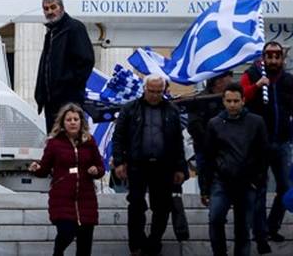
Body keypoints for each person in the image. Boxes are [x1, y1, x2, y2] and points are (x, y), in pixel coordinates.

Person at [112, 75, 187, 256]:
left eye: (159, 92)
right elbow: (119, 137)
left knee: (162, 207)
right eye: (151, 91)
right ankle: (136, 244)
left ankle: (154, 242)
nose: (154, 95)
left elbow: (178, 140)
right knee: (136, 205)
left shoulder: (171, 110)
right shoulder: (130, 109)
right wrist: (120, 162)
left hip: (164, 166)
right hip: (137, 165)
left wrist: (180, 167)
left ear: (164, 91)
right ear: (144, 89)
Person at [29, 103, 106, 256]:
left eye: (75, 119)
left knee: (85, 245)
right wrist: (36, 169)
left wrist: (96, 170)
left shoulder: (89, 142)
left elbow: (100, 167)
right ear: (63, 123)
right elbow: (44, 168)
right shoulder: (54, 143)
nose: (72, 122)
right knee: (66, 233)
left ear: (81, 122)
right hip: (62, 198)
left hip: (86, 199)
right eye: (69, 119)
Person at [202, 83, 269, 256]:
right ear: (223, 101)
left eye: (236, 101)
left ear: (243, 101)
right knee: (215, 218)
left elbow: (263, 154)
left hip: (247, 183)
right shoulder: (214, 124)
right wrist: (205, 188)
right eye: (229, 101)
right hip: (221, 182)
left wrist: (258, 181)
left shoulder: (256, 122)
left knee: (243, 229)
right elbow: (208, 157)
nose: (232, 104)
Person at [241, 41, 293, 249]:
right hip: (258, 145)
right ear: (263, 57)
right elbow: (240, 97)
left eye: (276, 56)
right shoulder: (251, 74)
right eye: (268, 56)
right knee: (259, 190)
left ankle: (272, 226)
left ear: (282, 59)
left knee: (285, 187)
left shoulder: (288, 80)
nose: (272, 60)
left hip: (281, 143)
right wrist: (256, 86)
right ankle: (260, 233)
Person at [34, 0, 95, 133]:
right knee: (55, 142)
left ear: (61, 8)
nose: (49, 12)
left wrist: (69, 85)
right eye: (46, 8)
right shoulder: (51, 33)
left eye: (53, 7)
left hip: (68, 101)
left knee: (70, 140)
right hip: (51, 101)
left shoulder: (74, 28)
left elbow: (86, 61)